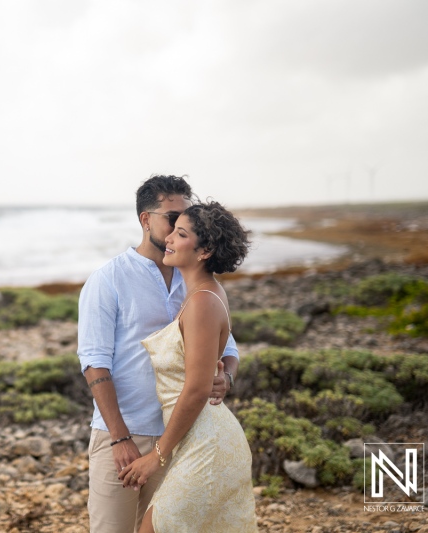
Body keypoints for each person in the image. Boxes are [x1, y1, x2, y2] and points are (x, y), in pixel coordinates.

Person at [77, 175, 240, 533]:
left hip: (182, 434)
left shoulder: (195, 277)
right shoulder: (108, 279)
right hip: (123, 433)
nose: (176, 229)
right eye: (172, 219)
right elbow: (94, 363)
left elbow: (228, 349)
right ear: (145, 219)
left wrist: (225, 377)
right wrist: (119, 438)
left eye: (185, 221)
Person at [119, 201, 257, 532]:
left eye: (180, 234)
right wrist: (226, 373)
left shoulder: (202, 302)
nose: (169, 238)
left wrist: (156, 456)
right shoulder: (202, 295)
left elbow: (196, 388)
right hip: (197, 439)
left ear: (204, 249)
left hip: (207, 442)